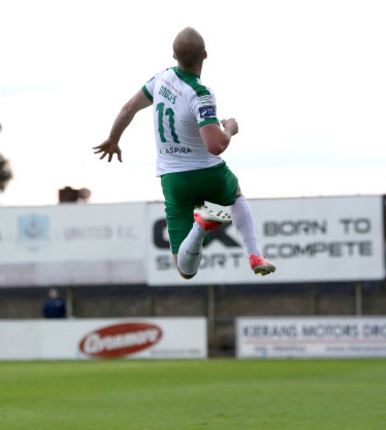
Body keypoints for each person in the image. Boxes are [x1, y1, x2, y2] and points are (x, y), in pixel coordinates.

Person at [93, 27, 275, 279]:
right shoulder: (201, 94)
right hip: (209, 171)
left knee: (185, 270)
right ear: (205, 55)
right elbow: (216, 146)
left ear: (173, 55)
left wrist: (113, 139)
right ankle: (254, 254)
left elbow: (128, 108)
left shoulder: (161, 79)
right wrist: (230, 130)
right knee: (235, 194)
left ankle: (200, 227)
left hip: (174, 179)